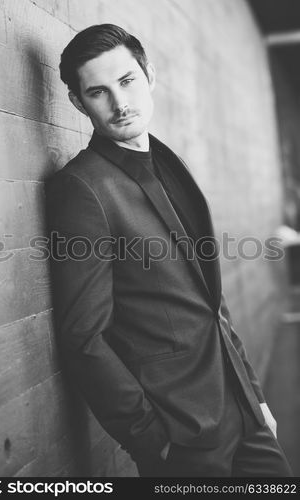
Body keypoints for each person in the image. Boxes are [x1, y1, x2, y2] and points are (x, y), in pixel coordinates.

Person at [45, 24, 293, 477]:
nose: (120, 104)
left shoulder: (169, 167)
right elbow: (84, 335)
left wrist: (255, 398)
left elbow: (210, 302)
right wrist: (150, 439)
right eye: (98, 92)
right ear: (79, 103)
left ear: (149, 75)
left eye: (127, 81)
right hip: (184, 440)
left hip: (244, 417)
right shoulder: (83, 188)